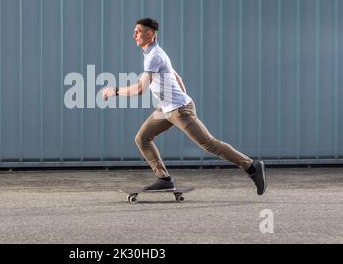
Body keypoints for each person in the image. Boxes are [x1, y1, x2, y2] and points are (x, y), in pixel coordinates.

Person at [102, 18, 267, 195]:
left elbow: (140, 89)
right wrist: (176, 99)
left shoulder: (154, 56)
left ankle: (251, 166)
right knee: (142, 138)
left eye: (138, 31)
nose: (134, 34)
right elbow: (177, 77)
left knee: (209, 144)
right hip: (166, 109)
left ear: (150, 34)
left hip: (179, 111)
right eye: (134, 31)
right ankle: (164, 179)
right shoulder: (153, 53)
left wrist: (115, 91)